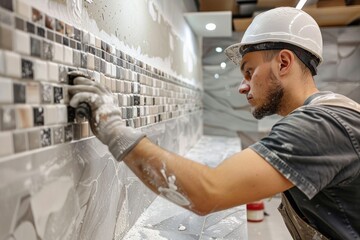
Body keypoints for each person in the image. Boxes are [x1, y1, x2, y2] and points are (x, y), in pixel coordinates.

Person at [68, 7, 360, 240]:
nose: (242, 88)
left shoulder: (319, 125)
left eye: (249, 72)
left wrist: (113, 129)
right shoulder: (325, 115)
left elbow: (209, 192)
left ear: (283, 63)